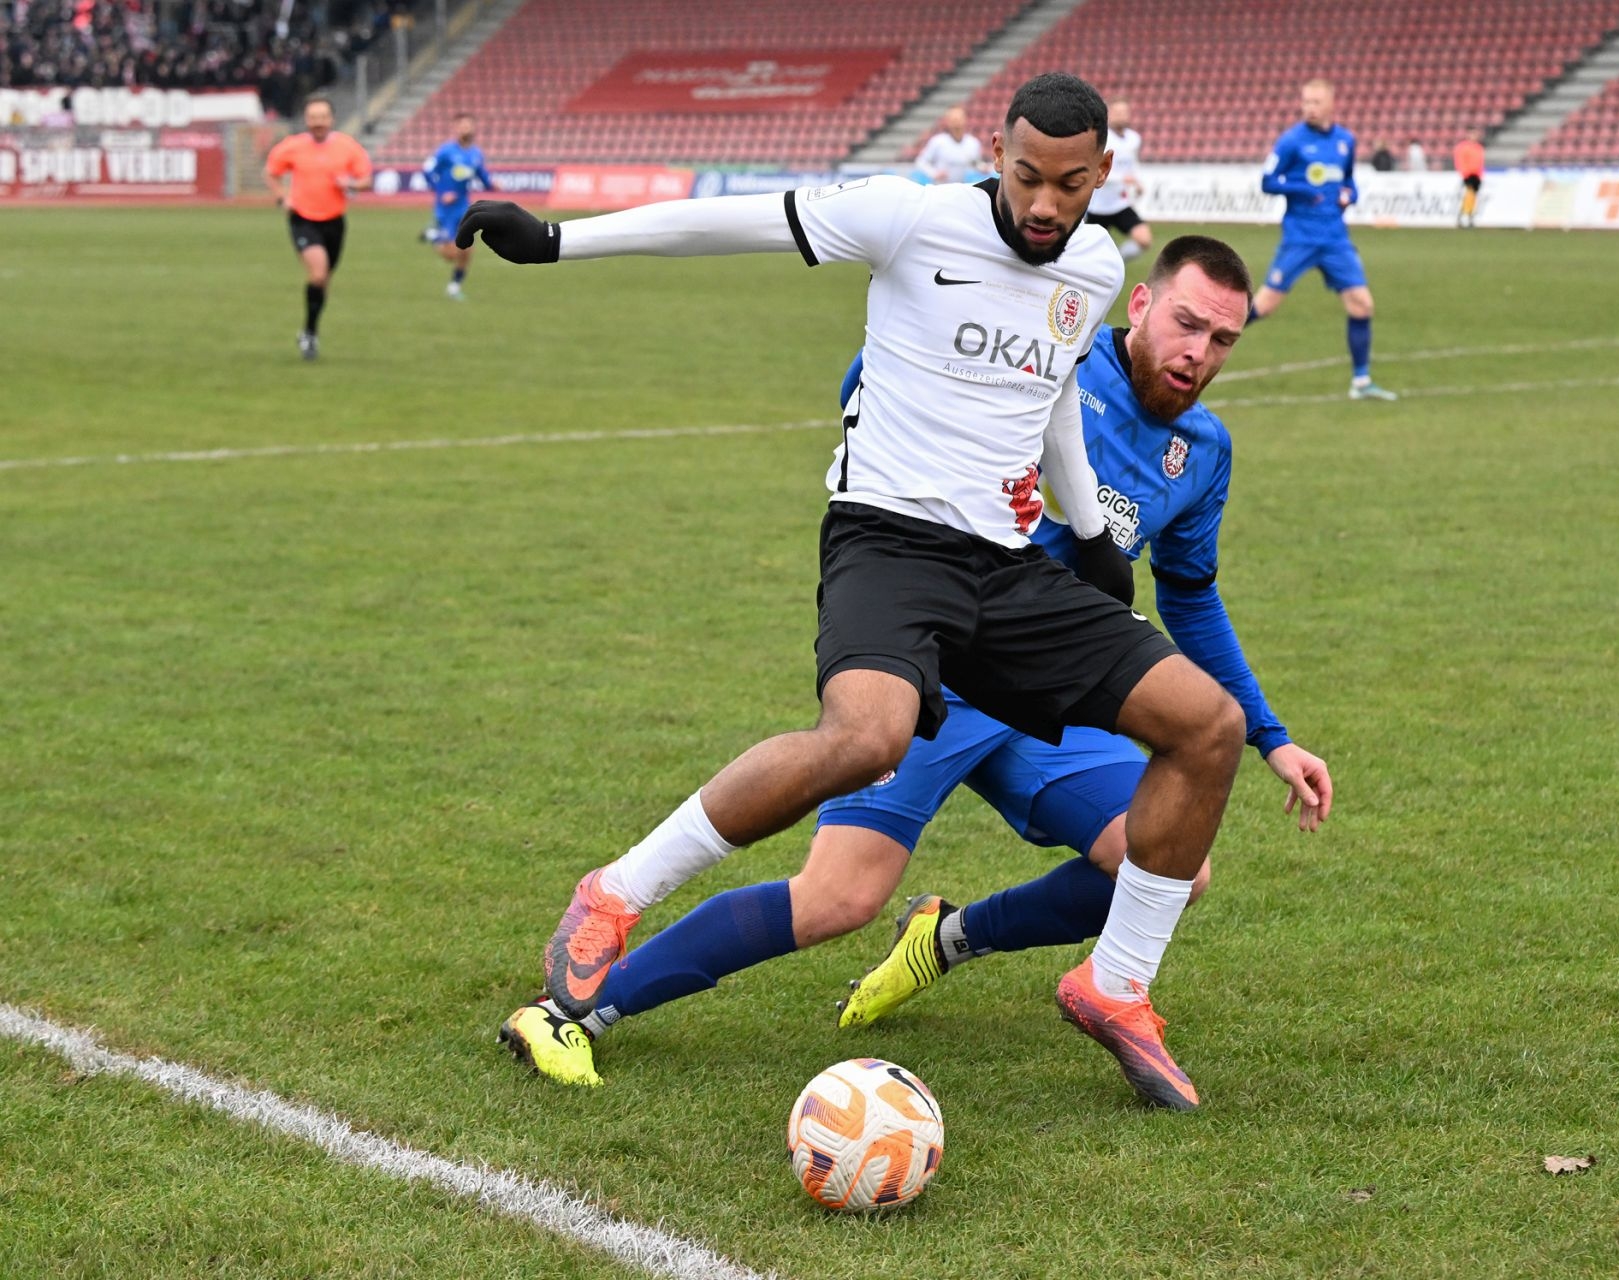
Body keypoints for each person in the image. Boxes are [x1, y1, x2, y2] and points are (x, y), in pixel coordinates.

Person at [462, 73, 1250, 1109]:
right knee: (866, 737)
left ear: (1103, 174)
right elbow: (730, 222)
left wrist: (1094, 535)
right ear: (996, 154)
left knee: (1208, 726)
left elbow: (1052, 384)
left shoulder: (1095, 264)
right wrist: (558, 241)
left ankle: (1116, 985)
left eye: (1068, 184)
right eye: (1025, 177)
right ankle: (615, 892)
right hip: (890, 542)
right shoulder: (909, 217)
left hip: (1005, 567)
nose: (1043, 204)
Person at [826, 240, 1332, 1054]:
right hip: (939, 669)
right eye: (1187, 324)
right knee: (835, 899)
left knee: (1169, 867)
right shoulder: (1048, 356)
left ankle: (943, 940)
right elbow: (875, 377)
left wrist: (1271, 736)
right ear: (1141, 303)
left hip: (1051, 685)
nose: (1199, 352)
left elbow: (1190, 596)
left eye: (1222, 340)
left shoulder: (1201, 449)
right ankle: (606, 972)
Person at [1249, 79, 1396, 401]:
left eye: (1316, 102)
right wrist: (1303, 190)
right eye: (1305, 102)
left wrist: (1349, 196)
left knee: (1362, 304)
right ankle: (1204, 339)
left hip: (1335, 238)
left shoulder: (1345, 140)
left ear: (1331, 104)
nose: (1309, 108)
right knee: (1265, 305)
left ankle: (1361, 382)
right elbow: (1267, 182)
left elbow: (1349, 183)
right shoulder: (1291, 141)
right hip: (1300, 237)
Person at [262, 96, 370, 360]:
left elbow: (366, 179)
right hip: (303, 219)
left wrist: (350, 184)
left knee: (323, 282)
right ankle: (310, 335)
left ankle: (309, 330)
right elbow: (271, 172)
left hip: (335, 221)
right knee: (318, 274)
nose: (318, 122)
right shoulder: (293, 146)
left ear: (331, 119)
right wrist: (282, 197)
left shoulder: (347, 147)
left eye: (322, 117)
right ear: (306, 120)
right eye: (313, 117)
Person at [421, 111, 493, 299]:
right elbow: (428, 172)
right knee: (450, 255)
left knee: (467, 250)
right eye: (462, 125)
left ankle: (454, 287)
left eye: (469, 125)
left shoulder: (476, 154)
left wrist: (492, 184)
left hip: (463, 206)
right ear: (456, 128)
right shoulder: (446, 151)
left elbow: (482, 177)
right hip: (445, 209)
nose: (465, 129)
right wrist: (441, 192)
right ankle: (433, 236)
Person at [1086, 99, 1151, 262]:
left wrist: (1137, 183)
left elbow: (1132, 164)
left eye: (1124, 112)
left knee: (1144, 239)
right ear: (1109, 115)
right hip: (1097, 207)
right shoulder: (1102, 138)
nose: (1121, 116)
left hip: (1119, 204)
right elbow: (1094, 171)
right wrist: (1123, 179)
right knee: (1088, 253)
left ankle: (1116, 263)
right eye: (1117, 112)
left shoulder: (1134, 138)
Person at [911, 106, 989, 184]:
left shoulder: (973, 143)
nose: (956, 123)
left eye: (959, 119)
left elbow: (975, 163)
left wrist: (983, 167)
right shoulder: (938, 141)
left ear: (965, 120)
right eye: (953, 119)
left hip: (964, 187)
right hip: (942, 187)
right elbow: (921, 161)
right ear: (948, 122)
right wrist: (934, 173)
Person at [1454, 129, 1485, 229]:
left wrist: (1480, 174)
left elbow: (1480, 162)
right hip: (1468, 174)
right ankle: (1463, 216)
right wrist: (1464, 173)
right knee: (1469, 195)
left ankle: (1469, 216)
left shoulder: (1479, 147)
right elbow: (1460, 161)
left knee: (1473, 197)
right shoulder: (1463, 147)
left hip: (1477, 175)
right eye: (1472, 134)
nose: (1474, 137)